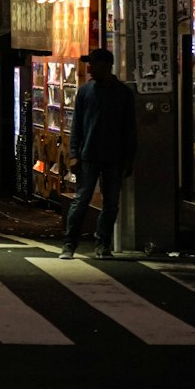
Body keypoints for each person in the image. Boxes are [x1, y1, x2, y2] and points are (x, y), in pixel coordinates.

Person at [59, 48, 137, 259]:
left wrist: (129, 159)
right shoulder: (86, 91)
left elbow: (130, 129)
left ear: (106, 65)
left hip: (114, 156)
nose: (90, 68)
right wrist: (74, 153)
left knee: (110, 203)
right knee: (81, 199)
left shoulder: (122, 93)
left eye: (93, 64)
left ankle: (103, 244)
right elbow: (77, 126)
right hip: (89, 155)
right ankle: (69, 243)